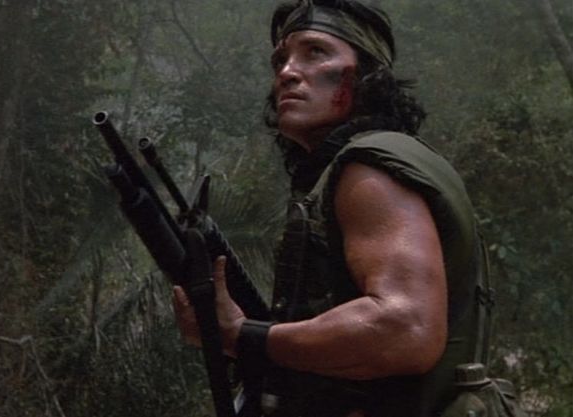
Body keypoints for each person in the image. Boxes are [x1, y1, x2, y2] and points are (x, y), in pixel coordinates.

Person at [174, 1, 492, 416]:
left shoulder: (369, 168)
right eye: (281, 60)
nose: (287, 72)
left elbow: (405, 329)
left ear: (365, 76)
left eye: (315, 52)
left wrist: (242, 336)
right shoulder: (379, 163)